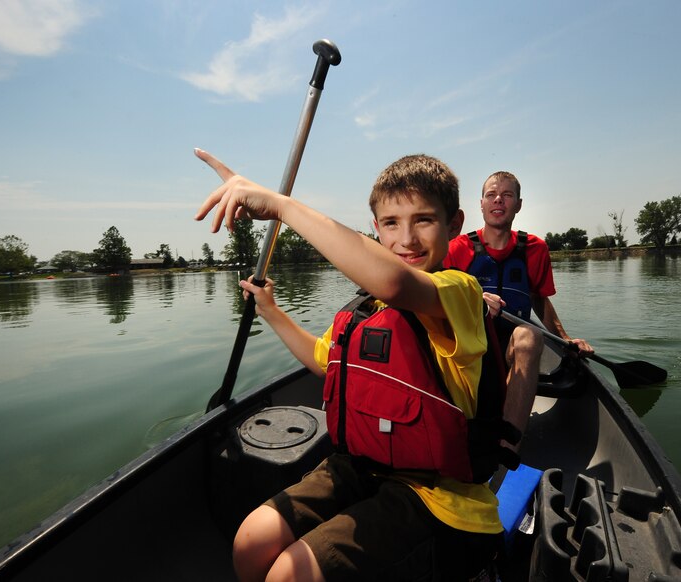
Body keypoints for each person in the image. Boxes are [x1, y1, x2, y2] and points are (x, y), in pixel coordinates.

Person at [195, 150, 510, 581]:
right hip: (362, 465)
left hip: (440, 498)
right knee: (252, 542)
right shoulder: (366, 310)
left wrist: (281, 206)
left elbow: (394, 281)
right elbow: (324, 363)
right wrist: (271, 311)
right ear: (375, 229)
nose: (407, 239)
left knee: (289, 575)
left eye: (424, 220)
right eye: (391, 223)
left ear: (454, 225)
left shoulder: (459, 292)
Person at [443, 170, 593, 442]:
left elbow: (538, 298)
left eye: (507, 195)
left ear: (518, 205)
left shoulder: (536, 248)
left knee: (530, 336)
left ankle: (507, 446)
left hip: (512, 343)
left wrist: (566, 340)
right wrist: (473, 297)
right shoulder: (457, 247)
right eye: (491, 195)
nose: (498, 200)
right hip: (470, 343)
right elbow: (435, 291)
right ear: (482, 204)